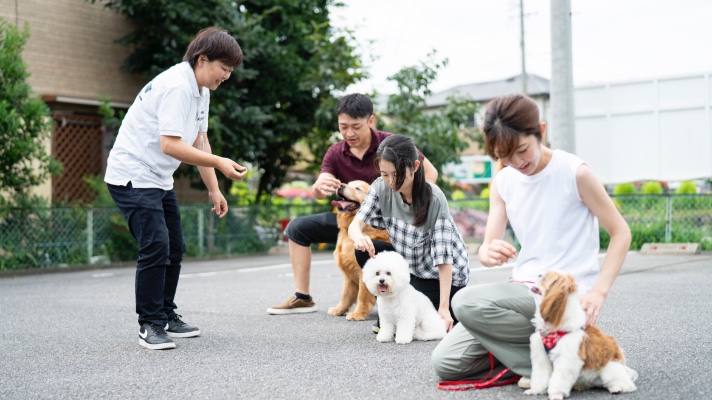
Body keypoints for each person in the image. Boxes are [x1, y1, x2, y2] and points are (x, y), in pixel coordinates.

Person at [430, 94, 631, 385]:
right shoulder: (504, 180)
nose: (515, 161)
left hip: (562, 294)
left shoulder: (575, 172)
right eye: (503, 155)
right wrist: (489, 251)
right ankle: (573, 365)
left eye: (522, 150)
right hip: (523, 291)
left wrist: (598, 293)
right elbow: (487, 247)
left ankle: (570, 363)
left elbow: (621, 232)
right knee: (446, 362)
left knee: (465, 302)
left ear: (541, 130)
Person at [105, 27, 247, 350]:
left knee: (175, 246)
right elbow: (170, 145)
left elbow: (200, 140)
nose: (226, 76)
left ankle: (166, 314)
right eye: (224, 68)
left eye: (230, 71)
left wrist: (214, 189)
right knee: (156, 244)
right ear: (202, 59)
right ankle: (150, 324)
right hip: (132, 175)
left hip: (157, 177)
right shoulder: (177, 87)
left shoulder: (201, 91)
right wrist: (222, 163)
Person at [267, 94, 438, 316]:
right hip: (348, 220)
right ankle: (303, 297)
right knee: (296, 228)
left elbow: (431, 174)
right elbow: (319, 192)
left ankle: (399, 296)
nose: (349, 133)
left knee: (370, 253)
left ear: (371, 121)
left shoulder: (392, 144)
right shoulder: (335, 152)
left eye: (356, 126)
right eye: (343, 126)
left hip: (388, 223)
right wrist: (319, 186)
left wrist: (406, 204)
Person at [348, 134, 470, 332]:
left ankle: (449, 304)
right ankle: (387, 304)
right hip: (411, 268)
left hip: (439, 276)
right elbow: (355, 225)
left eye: (396, 174)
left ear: (414, 166)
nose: (390, 181)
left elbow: (444, 259)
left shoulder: (434, 198)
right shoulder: (381, 186)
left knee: (424, 320)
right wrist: (359, 238)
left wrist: (444, 308)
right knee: (363, 251)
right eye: (384, 174)